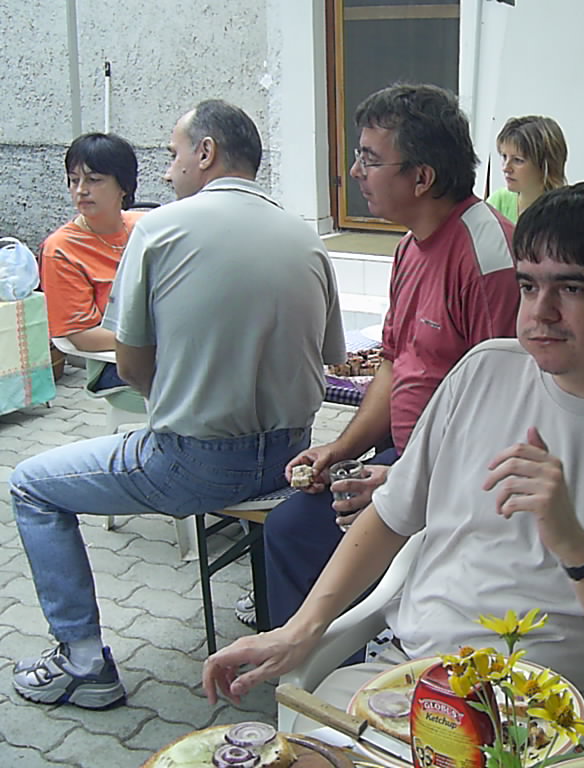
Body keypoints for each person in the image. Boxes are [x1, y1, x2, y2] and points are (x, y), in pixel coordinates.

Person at [203, 181, 584, 709]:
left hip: (546, 712)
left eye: (572, 289)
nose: (541, 312)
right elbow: (390, 516)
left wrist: (577, 549)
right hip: (410, 677)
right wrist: (300, 628)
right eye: (528, 286)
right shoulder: (485, 369)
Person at [10, 99, 344, 709]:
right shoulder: (305, 235)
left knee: (31, 484)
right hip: (293, 457)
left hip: (196, 461)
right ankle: (261, 597)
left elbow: (133, 366)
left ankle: (83, 663)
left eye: (172, 154)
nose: (167, 171)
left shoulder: (159, 230)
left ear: (206, 153)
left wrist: (189, 394)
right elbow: (329, 357)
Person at [253, 84, 520, 630]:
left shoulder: (488, 258)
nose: (355, 172)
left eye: (370, 160)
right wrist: (342, 449)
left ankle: (342, 665)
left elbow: (507, 416)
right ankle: (314, 662)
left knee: (299, 535)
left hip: (462, 477)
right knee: (289, 529)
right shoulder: (408, 246)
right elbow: (395, 366)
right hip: (406, 457)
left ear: (422, 178)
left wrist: (404, 484)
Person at [39, 133, 146, 404]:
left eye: (94, 180)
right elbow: (82, 337)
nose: (81, 190)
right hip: (118, 363)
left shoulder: (146, 227)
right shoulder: (61, 249)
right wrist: (157, 341)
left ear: (123, 186)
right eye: (74, 180)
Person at [486, 115, 567, 222]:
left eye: (518, 160)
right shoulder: (498, 201)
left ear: (546, 165)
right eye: (504, 157)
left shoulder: (565, 213)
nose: (505, 168)